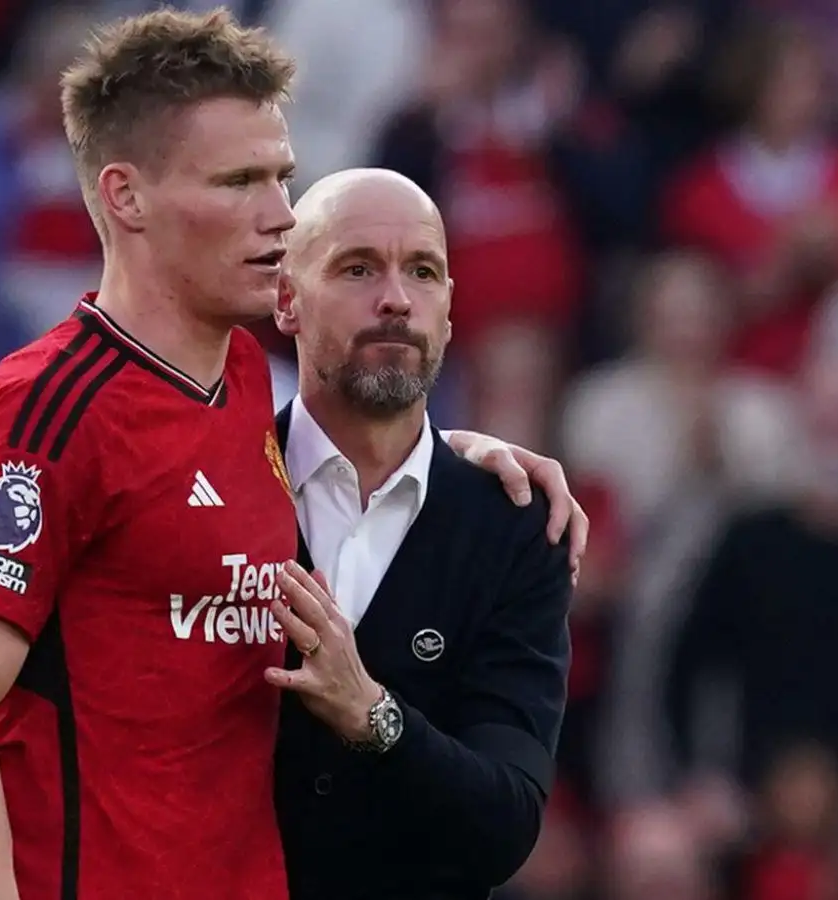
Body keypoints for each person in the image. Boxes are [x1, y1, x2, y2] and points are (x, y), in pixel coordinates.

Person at [0, 9, 586, 900]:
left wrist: (450, 457)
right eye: (238, 181)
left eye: (282, 178)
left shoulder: (245, 382)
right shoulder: (47, 409)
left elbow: (322, 452)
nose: (280, 216)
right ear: (125, 196)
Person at [265, 168, 573, 899]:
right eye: (358, 268)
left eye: (423, 272)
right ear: (286, 300)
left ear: (449, 312)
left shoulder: (517, 529)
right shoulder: (206, 491)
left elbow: (503, 824)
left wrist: (370, 714)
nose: (396, 298)